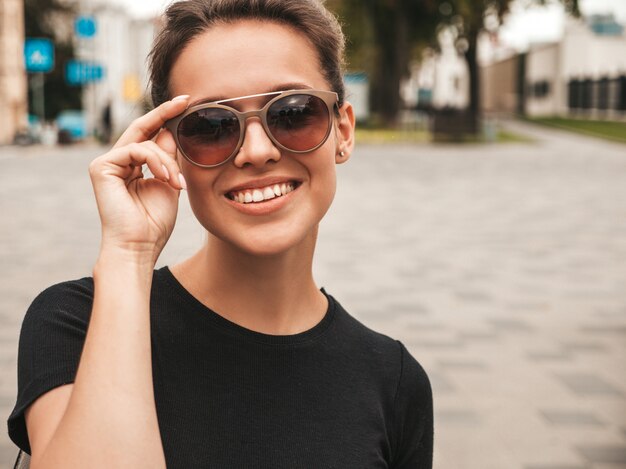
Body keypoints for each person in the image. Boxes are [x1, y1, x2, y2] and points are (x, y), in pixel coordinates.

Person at [8, 0, 433, 467]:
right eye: (211, 126)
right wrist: (129, 256)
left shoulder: (392, 381)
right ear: (168, 149)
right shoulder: (79, 321)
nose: (256, 151)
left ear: (343, 131)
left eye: (293, 113)